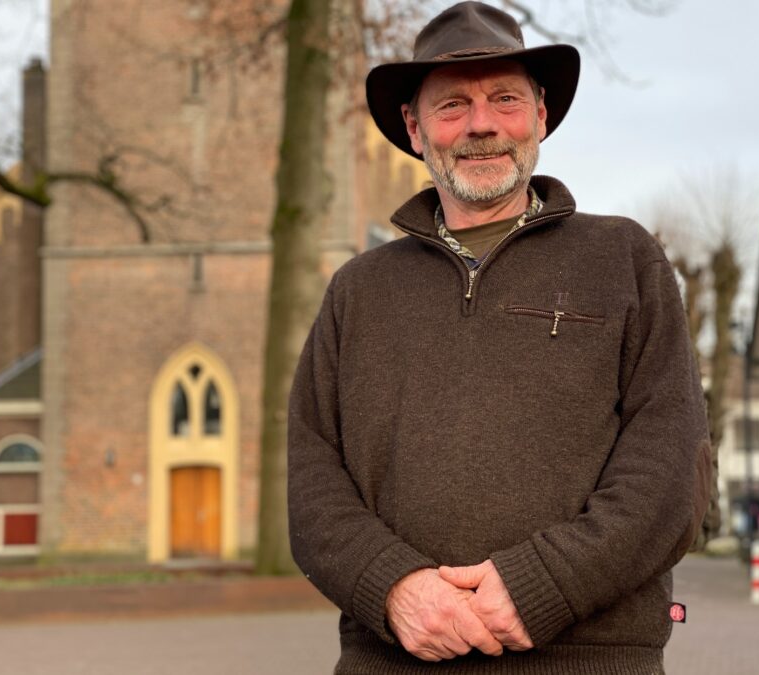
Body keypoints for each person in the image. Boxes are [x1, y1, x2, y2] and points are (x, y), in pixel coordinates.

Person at [286, 2, 711, 673]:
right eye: (452, 104)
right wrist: (396, 588)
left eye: (505, 98)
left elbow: (666, 473)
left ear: (540, 114)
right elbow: (313, 486)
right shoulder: (356, 292)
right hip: (390, 660)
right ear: (414, 127)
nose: (482, 124)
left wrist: (543, 583)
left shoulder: (625, 260)